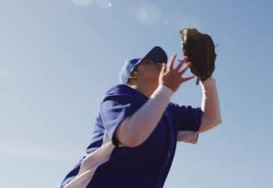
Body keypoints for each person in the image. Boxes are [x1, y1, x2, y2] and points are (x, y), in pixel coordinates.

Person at [60, 46, 222, 188]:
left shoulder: (168, 110)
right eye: (150, 62)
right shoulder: (120, 94)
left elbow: (210, 119)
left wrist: (206, 78)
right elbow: (131, 135)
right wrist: (166, 89)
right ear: (133, 74)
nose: (160, 64)